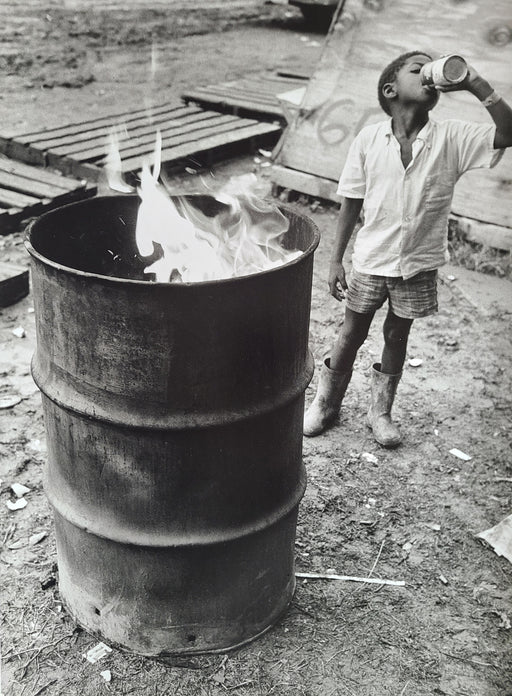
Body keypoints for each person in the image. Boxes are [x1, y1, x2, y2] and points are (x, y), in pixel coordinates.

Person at [304, 51, 512, 446]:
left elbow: (510, 131)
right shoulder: (368, 139)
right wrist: (335, 260)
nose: (430, 73)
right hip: (371, 258)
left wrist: (475, 83)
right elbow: (350, 199)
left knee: (397, 334)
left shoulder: (452, 137)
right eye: (419, 69)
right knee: (352, 332)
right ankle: (327, 404)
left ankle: (380, 412)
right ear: (390, 89)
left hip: (418, 263)